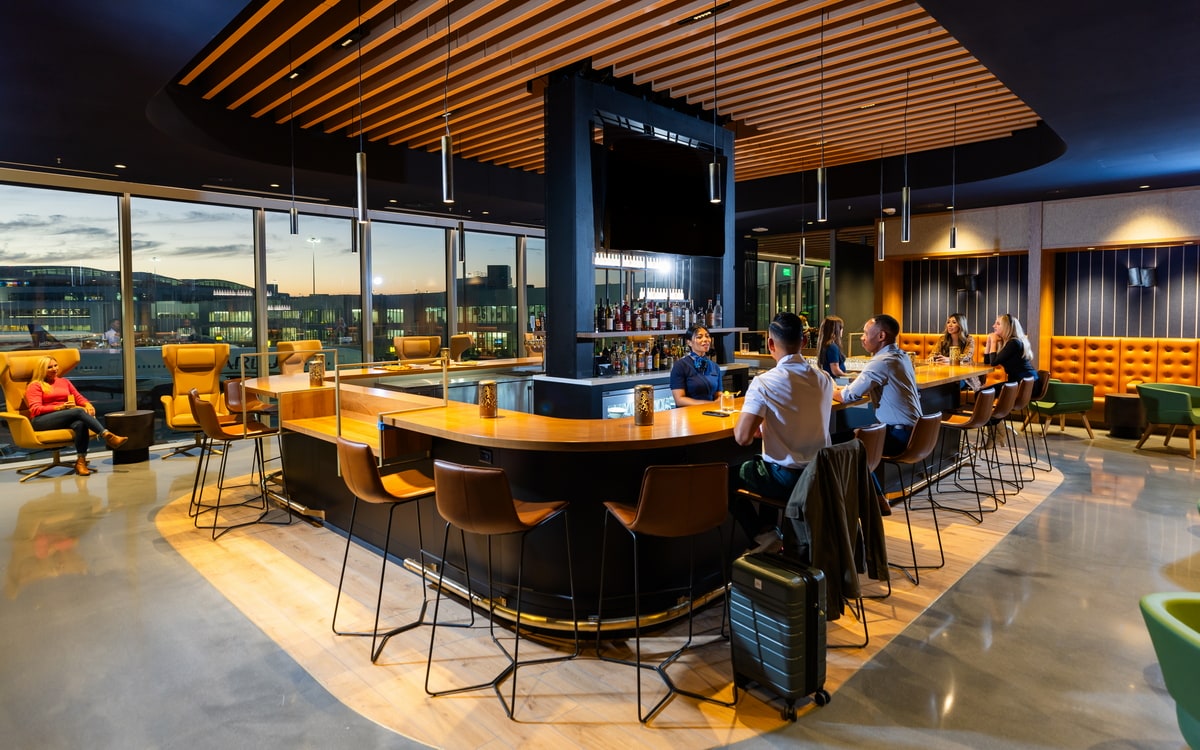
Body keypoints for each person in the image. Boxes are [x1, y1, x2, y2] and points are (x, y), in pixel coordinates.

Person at [732, 312, 834, 550]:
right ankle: (772, 533)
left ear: (770, 343)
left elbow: (742, 437)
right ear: (804, 341)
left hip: (788, 480)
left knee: (729, 477)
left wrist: (758, 425)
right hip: (821, 477)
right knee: (762, 464)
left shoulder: (764, 382)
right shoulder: (824, 379)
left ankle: (764, 535)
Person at [834, 314, 923, 456]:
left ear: (881, 336)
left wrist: (828, 389)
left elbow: (847, 396)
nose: (862, 338)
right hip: (916, 433)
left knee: (832, 442)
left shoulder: (881, 361)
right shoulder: (902, 356)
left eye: (865, 333)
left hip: (898, 437)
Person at [25, 356, 127, 477]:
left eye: (55, 365)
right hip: (42, 420)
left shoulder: (64, 382)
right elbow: (35, 409)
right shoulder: (35, 385)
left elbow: (78, 397)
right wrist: (59, 408)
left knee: (80, 424)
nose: (54, 369)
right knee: (78, 411)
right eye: (49, 367)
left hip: (64, 417)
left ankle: (81, 462)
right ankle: (107, 435)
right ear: (42, 369)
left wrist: (87, 404)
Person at [670, 324, 721, 407]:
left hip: (712, 412)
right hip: (689, 413)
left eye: (707, 336)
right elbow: (679, 400)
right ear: (689, 342)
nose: (705, 339)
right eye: (699, 337)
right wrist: (709, 404)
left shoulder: (715, 366)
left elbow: (719, 394)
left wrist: (720, 400)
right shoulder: (680, 366)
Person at [930, 312, 982, 391]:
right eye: (948, 322)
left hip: (965, 377)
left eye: (954, 322)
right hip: (944, 374)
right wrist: (933, 357)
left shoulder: (969, 339)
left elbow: (967, 357)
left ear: (961, 325)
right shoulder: (942, 339)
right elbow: (933, 354)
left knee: (952, 384)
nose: (950, 325)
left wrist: (951, 360)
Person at [984, 313, 1038, 385]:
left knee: (983, 391)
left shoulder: (1014, 343)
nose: (994, 326)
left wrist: (993, 341)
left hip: (1026, 383)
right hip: (1019, 382)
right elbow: (987, 362)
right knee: (983, 391)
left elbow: (993, 363)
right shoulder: (1006, 342)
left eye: (998, 324)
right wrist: (988, 342)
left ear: (1007, 327)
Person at [816, 315, 848, 380]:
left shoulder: (825, 345)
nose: (842, 330)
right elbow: (835, 371)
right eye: (841, 328)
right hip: (835, 380)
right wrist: (850, 375)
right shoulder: (832, 347)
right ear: (837, 330)